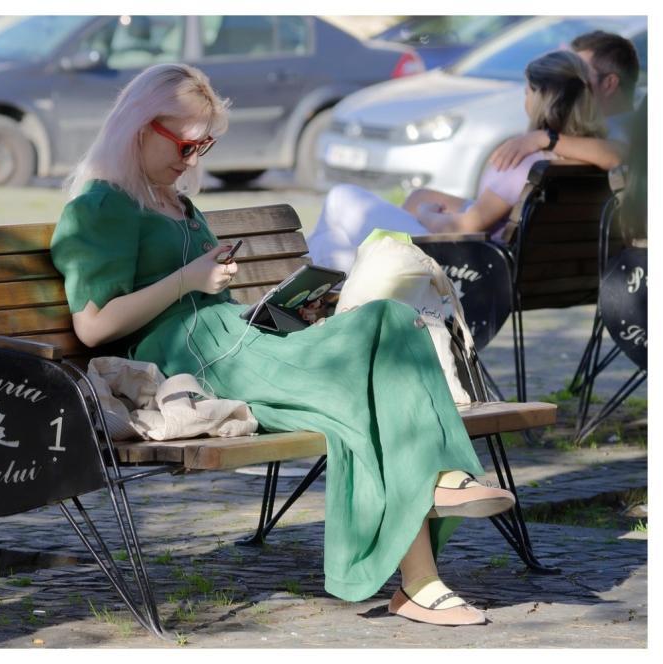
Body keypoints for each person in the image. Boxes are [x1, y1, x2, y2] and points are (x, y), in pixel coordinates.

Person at [51, 63, 518, 627]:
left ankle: (428, 538)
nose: (193, 160)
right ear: (140, 126)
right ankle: (426, 545)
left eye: (204, 146)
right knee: (368, 386)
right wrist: (189, 280)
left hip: (239, 341)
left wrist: (288, 312)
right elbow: (93, 326)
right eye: (186, 144)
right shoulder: (102, 206)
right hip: (192, 363)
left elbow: (209, 301)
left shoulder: (172, 200)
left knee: (392, 322)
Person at [309, 49, 606, 273]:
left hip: (466, 264)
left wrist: (426, 213)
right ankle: (320, 288)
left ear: (542, 97)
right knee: (330, 242)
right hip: (513, 265)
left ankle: (307, 294)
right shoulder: (583, 158)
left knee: (340, 199)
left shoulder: (524, 159)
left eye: (528, 91)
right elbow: (494, 211)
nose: (525, 99)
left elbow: (466, 226)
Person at [490, 30, 641, 174]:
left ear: (609, 84)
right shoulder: (599, 129)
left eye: (580, 76)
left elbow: (617, 157)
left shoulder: (623, 130)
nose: (566, 84)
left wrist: (543, 139)